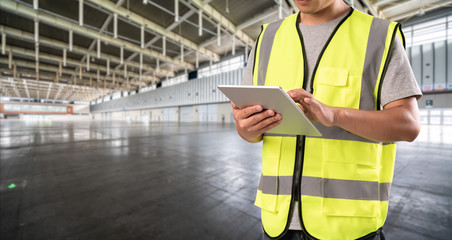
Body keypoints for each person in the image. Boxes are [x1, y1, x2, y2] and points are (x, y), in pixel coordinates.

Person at [232, 0, 422, 239]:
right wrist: (246, 128)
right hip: (276, 222)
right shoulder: (267, 39)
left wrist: (336, 115)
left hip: (348, 225)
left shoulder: (379, 35)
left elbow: (409, 125)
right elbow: (248, 131)